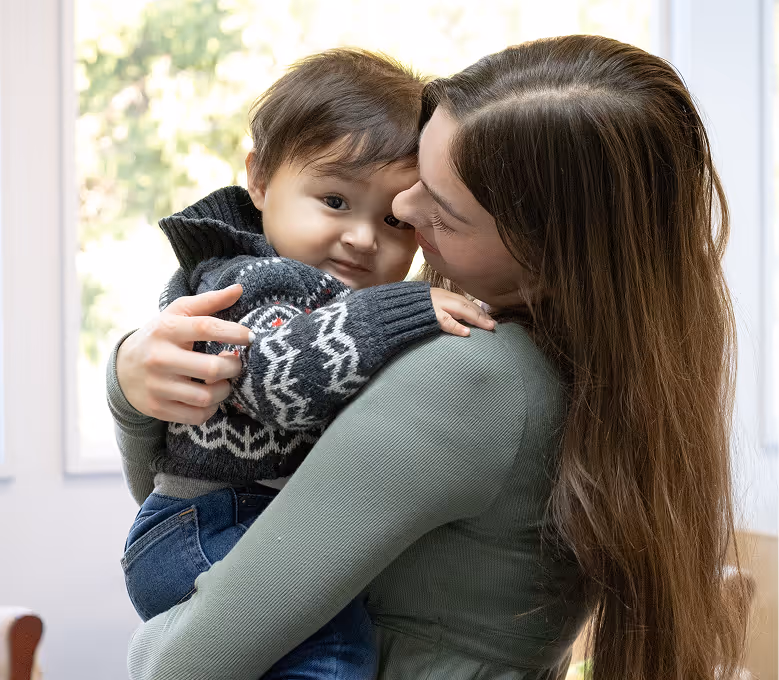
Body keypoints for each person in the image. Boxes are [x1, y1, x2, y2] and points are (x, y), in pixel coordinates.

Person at [109, 36, 749, 680]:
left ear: (547, 259)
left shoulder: (468, 374)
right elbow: (220, 486)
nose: (403, 214)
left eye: (438, 212)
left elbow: (187, 660)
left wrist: (144, 646)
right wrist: (134, 378)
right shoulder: (596, 365)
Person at [118, 48, 494, 680]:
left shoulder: (335, 297)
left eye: (395, 221)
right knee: (332, 657)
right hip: (213, 522)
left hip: (237, 520)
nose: (364, 238)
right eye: (335, 201)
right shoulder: (259, 282)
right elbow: (277, 382)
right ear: (259, 178)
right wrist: (406, 310)